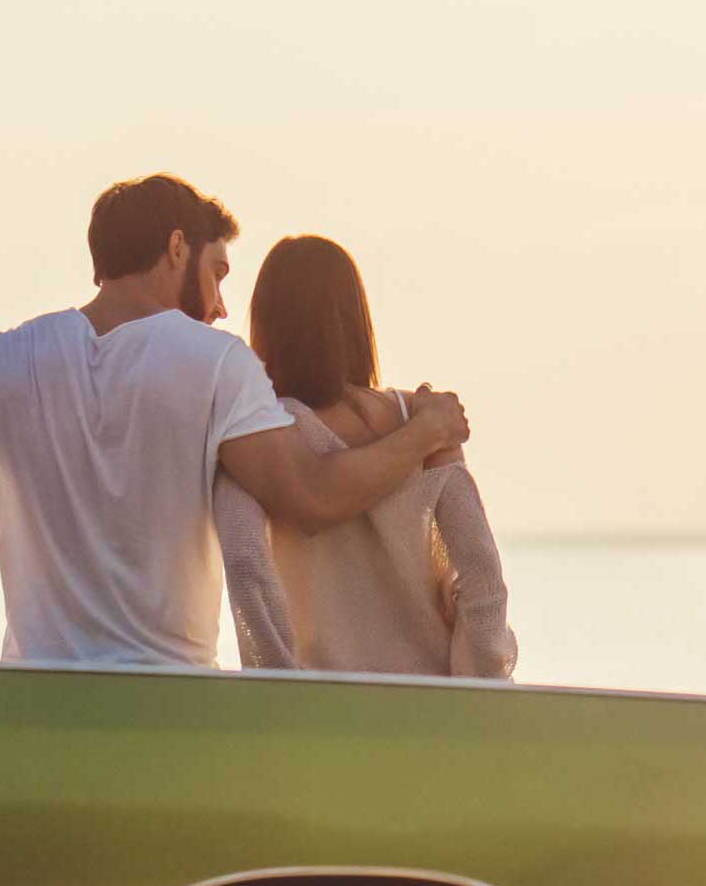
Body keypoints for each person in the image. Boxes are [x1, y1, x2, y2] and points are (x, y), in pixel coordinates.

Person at [0, 175, 468, 665]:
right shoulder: (218, 364)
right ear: (176, 248)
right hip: (172, 696)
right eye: (217, 273)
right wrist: (426, 433)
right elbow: (311, 497)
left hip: (36, 695)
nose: (221, 305)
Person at [214, 234, 516, 678]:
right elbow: (481, 573)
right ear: (355, 318)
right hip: (434, 696)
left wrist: (277, 682)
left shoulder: (257, 434)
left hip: (321, 701)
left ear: (266, 324)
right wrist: (477, 683)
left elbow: (246, 564)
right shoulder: (422, 417)